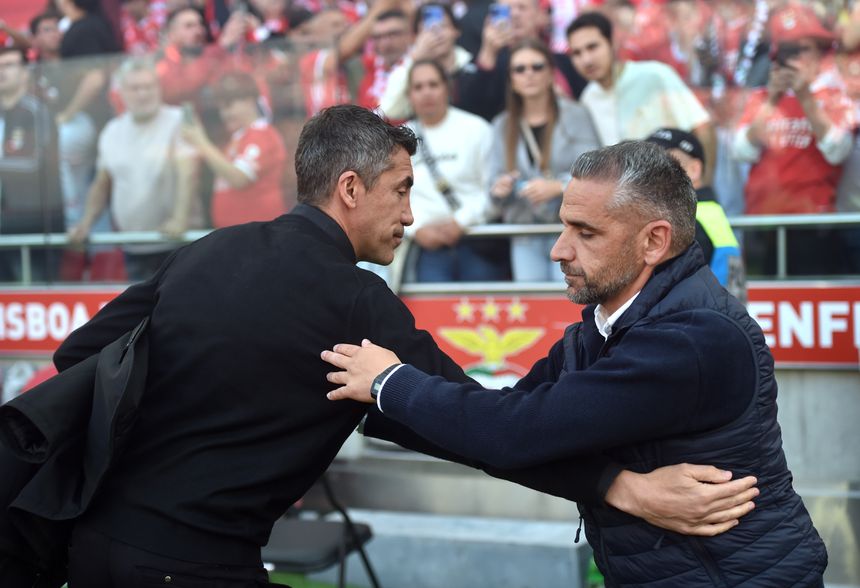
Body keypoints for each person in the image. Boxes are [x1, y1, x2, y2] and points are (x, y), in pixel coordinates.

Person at [54, 106, 758, 586]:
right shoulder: (357, 305)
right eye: (402, 190)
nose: (412, 215)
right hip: (197, 565)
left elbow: (78, 355)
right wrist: (621, 488)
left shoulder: (206, 251)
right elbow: (480, 432)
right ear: (351, 188)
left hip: (88, 544)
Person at [323, 140, 827, 587]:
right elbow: (500, 430)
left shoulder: (690, 339)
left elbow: (511, 434)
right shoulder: (599, 327)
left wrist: (390, 384)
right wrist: (619, 487)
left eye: (586, 233)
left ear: (654, 241)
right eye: (563, 225)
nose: (559, 250)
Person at [732, 2, 855, 275]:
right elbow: (741, 150)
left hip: (813, 226)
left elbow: (838, 151)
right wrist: (774, 99)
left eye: (805, 50)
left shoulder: (836, 97)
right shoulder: (761, 98)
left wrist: (806, 98)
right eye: (789, 51)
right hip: (762, 226)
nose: (797, 59)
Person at [68, 58, 202, 282]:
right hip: (134, 246)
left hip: (178, 244)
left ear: (159, 88)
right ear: (121, 92)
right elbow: (102, 184)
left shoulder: (179, 119)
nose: (143, 93)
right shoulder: (112, 130)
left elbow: (188, 171)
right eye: (135, 88)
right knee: (143, 314)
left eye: (149, 86)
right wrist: (85, 224)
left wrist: (180, 218)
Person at [488, 39, 600, 282]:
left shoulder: (576, 114)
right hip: (524, 230)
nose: (528, 74)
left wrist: (558, 186)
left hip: (571, 227)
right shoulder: (502, 125)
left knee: (569, 301)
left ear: (550, 73)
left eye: (537, 67)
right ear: (511, 80)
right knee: (533, 303)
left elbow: (595, 171)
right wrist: (502, 187)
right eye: (519, 69)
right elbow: (493, 186)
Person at [566, 11, 717, 185]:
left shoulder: (654, 75)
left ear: (612, 43)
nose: (586, 60)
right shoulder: (588, 98)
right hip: (630, 200)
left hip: (676, 194)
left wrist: (703, 186)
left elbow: (703, 128)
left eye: (593, 47)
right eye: (576, 53)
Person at [403, 60, 507, 282]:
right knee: (431, 317)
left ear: (447, 88)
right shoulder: (398, 139)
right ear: (409, 95)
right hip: (425, 249)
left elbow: (494, 190)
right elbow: (392, 196)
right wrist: (417, 229)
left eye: (433, 84)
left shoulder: (476, 129)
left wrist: (461, 222)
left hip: (477, 240)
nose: (426, 93)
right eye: (418, 87)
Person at [645, 127, 746, 302]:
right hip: (720, 321)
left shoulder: (687, 221)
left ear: (694, 169)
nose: (650, 171)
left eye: (663, 162)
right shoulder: (710, 214)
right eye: (647, 162)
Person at [181, 70, 287, 228]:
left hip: (257, 236)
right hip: (240, 235)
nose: (225, 114)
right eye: (221, 108)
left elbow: (239, 178)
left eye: (229, 106)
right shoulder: (239, 137)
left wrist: (201, 142)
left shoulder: (262, 135)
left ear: (249, 101)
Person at [0, 46, 64, 282]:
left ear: (25, 73)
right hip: (3, 223)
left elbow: (34, 163)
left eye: (9, 65)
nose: (2, 71)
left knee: (32, 292)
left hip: (33, 220)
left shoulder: (36, 112)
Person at [378, 3, 476, 122]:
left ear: (456, 30)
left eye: (442, 26)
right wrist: (414, 59)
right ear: (416, 36)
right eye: (428, 28)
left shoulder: (474, 65)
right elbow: (389, 110)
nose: (437, 34)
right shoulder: (410, 65)